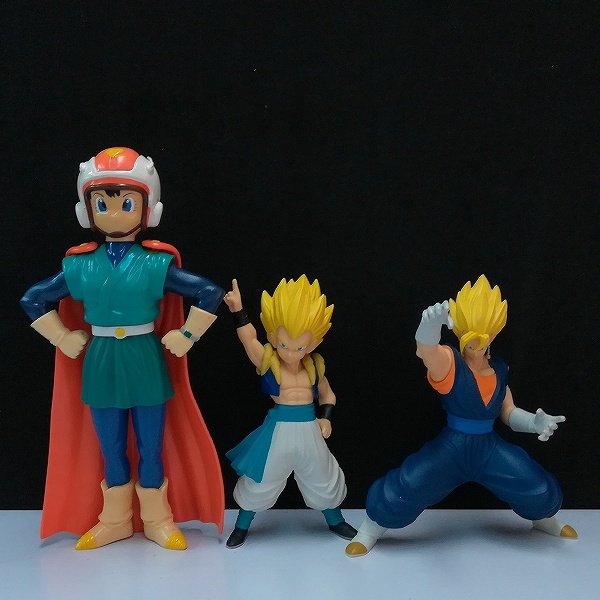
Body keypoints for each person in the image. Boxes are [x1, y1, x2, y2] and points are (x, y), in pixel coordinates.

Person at [20, 147, 225, 550]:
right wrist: (61, 336)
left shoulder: (154, 263)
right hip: (101, 358)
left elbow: (209, 292)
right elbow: (31, 298)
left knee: (151, 447)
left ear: (148, 209)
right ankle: (114, 519)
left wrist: (187, 334)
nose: (114, 213)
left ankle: (157, 519)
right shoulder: (80, 265)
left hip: (143, 355)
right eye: (102, 203)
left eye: (126, 203)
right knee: (110, 449)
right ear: (87, 211)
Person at [346, 275, 577, 557]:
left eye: (485, 332)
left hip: (488, 448)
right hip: (452, 447)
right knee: (408, 484)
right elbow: (427, 351)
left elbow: (508, 412)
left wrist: (533, 423)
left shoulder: (500, 369)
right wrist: (429, 326)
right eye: (470, 331)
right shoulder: (450, 363)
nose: (477, 340)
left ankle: (543, 519)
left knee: (534, 484)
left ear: (495, 330)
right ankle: (370, 528)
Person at [223, 276, 356, 547]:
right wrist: (238, 310)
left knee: (322, 476)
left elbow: (328, 395)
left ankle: (335, 520)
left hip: (309, 429)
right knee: (261, 479)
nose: (292, 353)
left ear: (313, 343)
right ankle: (242, 525)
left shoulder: (315, 367)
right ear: (273, 337)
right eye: (284, 345)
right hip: (279, 431)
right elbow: (249, 340)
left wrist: (325, 418)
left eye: (300, 347)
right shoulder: (269, 362)